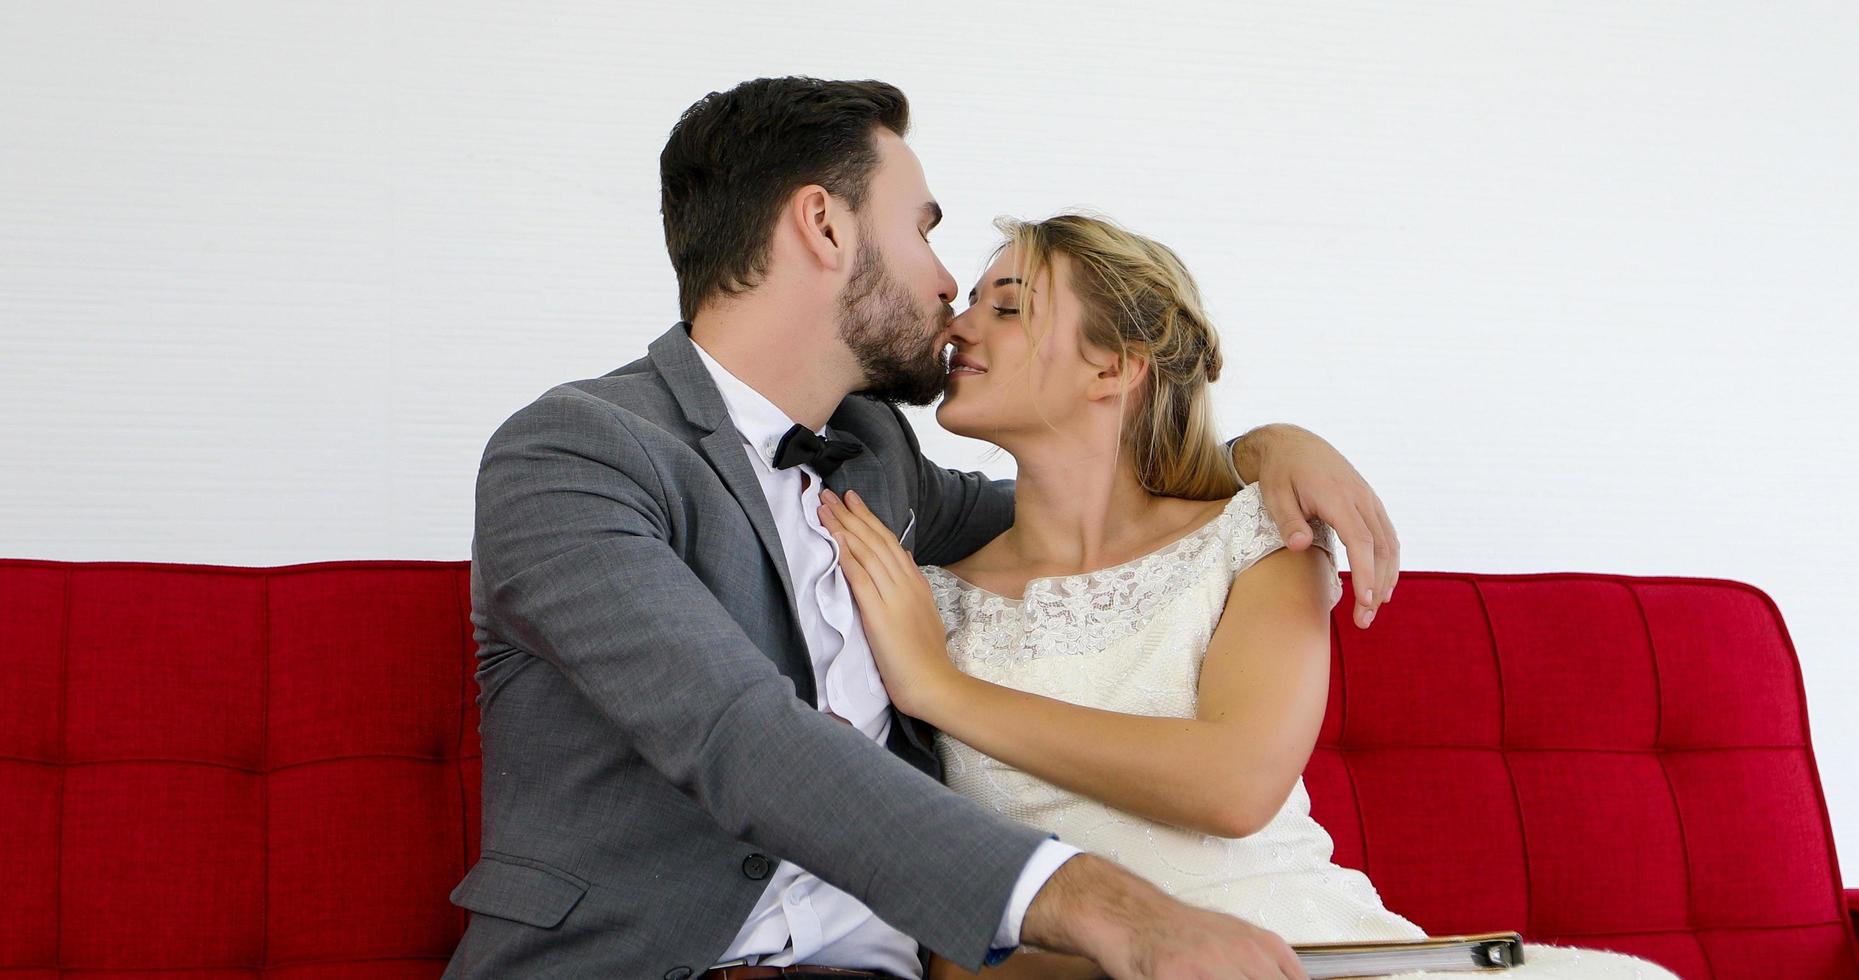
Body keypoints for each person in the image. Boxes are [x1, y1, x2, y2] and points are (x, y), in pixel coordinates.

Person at [445, 76, 1402, 980]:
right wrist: (1107, 906)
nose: (949, 291)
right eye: (922, 229)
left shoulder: (875, 452)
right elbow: (736, 731)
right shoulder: (575, 453)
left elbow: (1098, 518)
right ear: (823, 225)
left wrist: (1263, 450)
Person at [820, 213, 1680, 980]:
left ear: (1113, 368)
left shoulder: (1262, 538)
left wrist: (943, 691)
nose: (958, 324)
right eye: (971, 300)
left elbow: (1233, 786)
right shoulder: (915, 595)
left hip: (1306, 949)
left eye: (1006, 307)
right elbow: (934, 916)